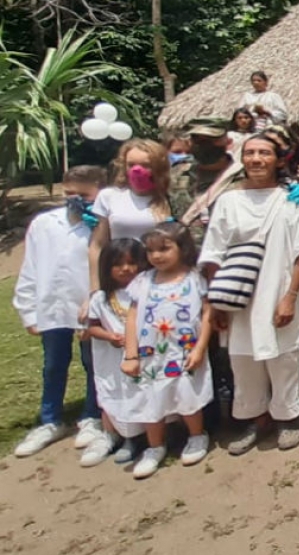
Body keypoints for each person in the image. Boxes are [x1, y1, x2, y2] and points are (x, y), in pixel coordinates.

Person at [199, 134, 299, 456]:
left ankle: (288, 419)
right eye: (249, 153)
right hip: (237, 298)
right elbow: (214, 251)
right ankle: (254, 419)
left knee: (284, 358)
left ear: (278, 160)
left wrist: (290, 296)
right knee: (243, 360)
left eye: (264, 153)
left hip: (279, 290)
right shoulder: (228, 201)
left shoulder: (293, 200)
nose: (256, 159)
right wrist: (218, 302)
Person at [13, 165, 108, 458]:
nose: (75, 199)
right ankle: (50, 420)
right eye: (69, 194)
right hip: (52, 309)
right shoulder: (44, 223)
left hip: (87, 309)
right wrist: (28, 310)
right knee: (54, 365)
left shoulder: (101, 226)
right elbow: (31, 267)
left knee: (93, 364)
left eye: (83, 195)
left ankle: (92, 416)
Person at [120, 222, 213, 478]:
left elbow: (207, 313)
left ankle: (196, 436)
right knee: (150, 399)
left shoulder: (195, 278)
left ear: (182, 249)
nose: (157, 256)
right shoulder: (143, 281)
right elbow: (132, 316)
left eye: (164, 249)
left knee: (187, 394)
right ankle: (154, 447)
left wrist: (200, 348)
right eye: (151, 251)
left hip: (183, 352)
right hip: (150, 355)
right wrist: (131, 354)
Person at [81, 238, 148, 467]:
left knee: (141, 394)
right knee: (112, 394)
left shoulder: (146, 292)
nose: (125, 269)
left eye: (131, 262)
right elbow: (91, 327)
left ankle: (144, 438)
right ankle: (116, 436)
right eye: (118, 264)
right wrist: (109, 336)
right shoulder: (100, 298)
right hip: (110, 359)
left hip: (141, 356)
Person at [89, 139, 174, 290]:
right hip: (120, 278)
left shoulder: (171, 199)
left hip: (160, 280)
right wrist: (95, 288)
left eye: (146, 165)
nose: (137, 170)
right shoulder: (109, 196)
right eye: (131, 164)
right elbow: (97, 244)